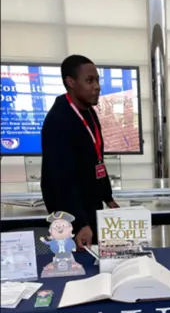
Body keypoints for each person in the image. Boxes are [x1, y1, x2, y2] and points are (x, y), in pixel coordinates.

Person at [41, 55, 119, 249]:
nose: (97, 86)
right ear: (71, 82)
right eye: (89, 81)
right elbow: (60, 181)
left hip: (90, 204)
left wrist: (108, 198)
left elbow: (96, 160)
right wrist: (80, 224)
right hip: (70, 212)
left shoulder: (88, 111)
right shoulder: (59, 120)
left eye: (97, 80)